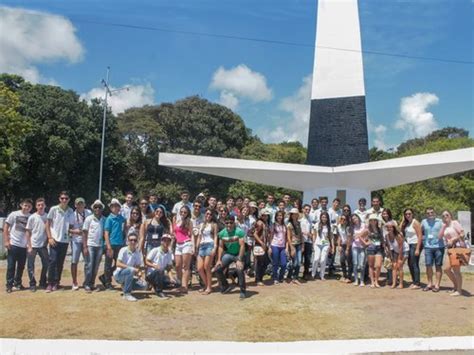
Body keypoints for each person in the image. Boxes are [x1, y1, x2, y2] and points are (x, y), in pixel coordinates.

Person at [45, 191, 74, 292]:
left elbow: (71, 226)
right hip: (54, 239)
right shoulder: (54, 209)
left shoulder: (71, 211)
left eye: (66, 198)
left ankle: (56, 282)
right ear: (59, 199)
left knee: (60, 263)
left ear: (69, 199)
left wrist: (72, 233)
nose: (64, 200)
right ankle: (49, 283)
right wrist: (50, 237)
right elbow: (47, 224)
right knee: (52, 261)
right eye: (62, 198)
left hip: (65, 241)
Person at [4, 198, 32, 292]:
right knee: (11, 266)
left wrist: (29, 245)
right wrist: (7, 241)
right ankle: (9, 285)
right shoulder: (14, 214)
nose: (26, 207)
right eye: (25, 205)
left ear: (31, 207)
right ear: (21, 205)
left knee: (21, 266)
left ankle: (18, 283)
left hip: (23, 246)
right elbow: (6, 227)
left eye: (28, 206)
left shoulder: (31, 217)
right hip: (13, 244)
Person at [215, 215, 247, 299]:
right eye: (227, 223)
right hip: (228, 254)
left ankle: (242, 290)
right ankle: (225, 285)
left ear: (234, 223)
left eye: (231, 222)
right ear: (224, 223)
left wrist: (239, 259)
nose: (229, 224)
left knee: (239, 269)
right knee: (218, 269)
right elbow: (221, 247)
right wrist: (218, 259)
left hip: (238, 254)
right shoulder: (222, 233)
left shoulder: (239, 231)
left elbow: (242, 246)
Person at [99, 198, 126, 291]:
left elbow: (125, 228)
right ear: (110, 208)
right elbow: (106, 233)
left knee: (119, 264)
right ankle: (107, 282)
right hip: (111, 244)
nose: (115, 208)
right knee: (108, 263)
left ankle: (105, 276)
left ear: (119, 207)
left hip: (120, 244)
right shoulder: (109, 219)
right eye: (113, 206)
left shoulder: (121, 218)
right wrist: (108, 246)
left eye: (117, 206)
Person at [439, 210, 466, 297]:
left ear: (450, 215)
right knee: (446, 269)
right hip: (450, 248)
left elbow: (462, 234)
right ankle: (456, 285)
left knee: (456, 270)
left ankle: (459, 290)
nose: (445, 217)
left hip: (457, 247)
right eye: (443, 216)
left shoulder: (455, 223)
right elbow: (439, 236)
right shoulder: (445, 226)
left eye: (447, 215)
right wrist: (443, 227)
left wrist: (454, 239)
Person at [113, 233, 146, 302]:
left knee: (144, 286)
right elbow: (118, 263)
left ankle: (125, 286)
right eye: (131, 240)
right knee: (130, 270)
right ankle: (127, 294)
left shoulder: (138, 253)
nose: (133, 242)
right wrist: (132, 268)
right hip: (119, 275)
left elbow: (138, 266)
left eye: (135, 240)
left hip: (130, 275)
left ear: (137, 241)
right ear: (127, 241)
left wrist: (140, 275)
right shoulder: (123, 250)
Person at [25, 198, 48, 292]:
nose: (40, 206)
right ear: (36, 206)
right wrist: (29, 246)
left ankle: (42, 282)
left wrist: (47, 242)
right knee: (30, 265)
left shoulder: (47, 217)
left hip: (43, 245)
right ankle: (32, 284)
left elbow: (49, 231)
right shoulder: (32, 217)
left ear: (45, 206)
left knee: (46, 264)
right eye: (38, 205)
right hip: (33, 245)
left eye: (42, 204)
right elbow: (28, 232)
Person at [82, 200, 106, 293]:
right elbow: (84, 232)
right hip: (90, 245)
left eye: (99, 207)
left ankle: (91, 283)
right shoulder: (89, 219)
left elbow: (105, 233)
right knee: (89, 265)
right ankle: (87, 284)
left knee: (96, 266)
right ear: (93, 208)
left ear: (102, 209)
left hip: (100, 246)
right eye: (95, 207)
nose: (97, 209)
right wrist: (84, 246)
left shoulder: (104, 219)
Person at [69, 197, 92, 291]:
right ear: (75, 205)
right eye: (78, 204)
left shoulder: (89, 213)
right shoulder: (72, 215)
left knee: (88, 261)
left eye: (82, 203)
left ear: (84, 204)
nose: (80, 205)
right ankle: (74, 282)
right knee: (74, 261)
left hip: (87, 240)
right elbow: (69, 229)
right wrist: (76, 231)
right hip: (76, 241)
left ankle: (87, 282)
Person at [421, 207, 444, 293]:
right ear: (426, 214)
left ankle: (437, 285)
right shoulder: (423, 222)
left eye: (431, 212)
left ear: (435, 213)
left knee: (438, 266)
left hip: (439, 247)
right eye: (428, 213)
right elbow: (419, 231)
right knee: (428, 265)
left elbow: (447, 230)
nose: (430, 214)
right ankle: (429, 284)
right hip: (428, 247)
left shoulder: (440, 221)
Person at [196, 209, 218, 294]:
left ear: (212, 216)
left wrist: (215, 248)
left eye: (210, 214)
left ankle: (209, 287)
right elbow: (199, 237)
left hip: (210, 245)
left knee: (206, 267)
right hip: (202, 246)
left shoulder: (214, 225)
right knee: (199, 268)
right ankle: (207, 285)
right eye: (207, 214)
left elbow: (215, 236)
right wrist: (196, 247)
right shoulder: (201, 224)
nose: (208, 215)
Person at [146, 234, 175, 299]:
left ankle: (155, 286)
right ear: (161, 241)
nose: (166, 242)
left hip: (161, 275)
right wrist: (154, 266)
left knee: (177, 283)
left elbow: (169, 268)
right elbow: (146, 261)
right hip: (151, 274)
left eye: (168, 241)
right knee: (160, 270)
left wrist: (171, 278)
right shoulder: (155, 250)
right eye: (164, 240)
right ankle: (159, 291)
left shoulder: (169, 252)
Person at [172, 205, 193, 293]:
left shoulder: (189, 221)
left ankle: (184, 286)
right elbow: (174, 231)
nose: (183, 213)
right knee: (177, 266)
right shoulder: (176, 219)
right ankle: (180, 284)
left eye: (185, 212)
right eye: (181, 212)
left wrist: (193, 247)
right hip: (178, 244)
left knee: (185, 266)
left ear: (188, 213)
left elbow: (191, 234)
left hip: (186, 244)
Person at [400, 208, 423, 289]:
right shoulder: (407, 223)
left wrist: (417, 248)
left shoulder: (415, 222)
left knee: (414, 263)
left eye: (409, 214)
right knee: (410, 264)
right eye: (406, 214)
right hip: (409, 245)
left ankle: (417, 283)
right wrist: (403, 221)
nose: (408, 215)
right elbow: (399, 230)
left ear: (412, 214)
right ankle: (414, 281)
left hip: (415, 244)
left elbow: (420, 235)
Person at [385, 222, 408, 289]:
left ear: (393, 228)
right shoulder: (387, 236)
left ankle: (401, 284)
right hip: (395, 251)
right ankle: (394, 283)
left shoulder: (398, 235)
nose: (389, 228)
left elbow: (401, 247)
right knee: (394, 266)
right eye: (388, 227)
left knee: (399, 266)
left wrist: (399, 258)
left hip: (403, 251)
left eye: (391, 227)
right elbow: (389, 247)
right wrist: (391, 256)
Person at [311, 211, 334, 281]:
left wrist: (332, 246)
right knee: (316, 259)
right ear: (320, 217)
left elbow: (331, 237)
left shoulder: (330, 226)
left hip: (326, 244)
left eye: (325, 217)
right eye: (323, 217)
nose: (324, 218)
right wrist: (313, 243)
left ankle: (322, 275)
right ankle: (313, 274)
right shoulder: (317, 224)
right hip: (317, 244)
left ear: (327, 218)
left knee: (323, 260)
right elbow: (314, 235)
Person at [348, 214, 368, 286]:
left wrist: (359, 235)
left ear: (358, 217)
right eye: (353, 219)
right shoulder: (352, 227)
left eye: (355, 218)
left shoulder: (364, 224)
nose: (355, 220)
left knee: (362, 264)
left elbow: (367, 231)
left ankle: (362, 280)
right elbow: (351, 237)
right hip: (355, 246)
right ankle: (356, 280)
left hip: (362, 246)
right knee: (355, 264)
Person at [269, 211, 288, 284]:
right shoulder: (273, 225)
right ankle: (275, 278)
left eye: (281, 215)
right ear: (276, 217)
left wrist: (286, 247)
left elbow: (286, 237)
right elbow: (270, 237)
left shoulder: (284, 226)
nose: (279, 217)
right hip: (275, 245)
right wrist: (270, 247)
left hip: (282, 246)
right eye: (278, 215)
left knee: (284, 264)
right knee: (275, 263)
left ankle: (281, 276)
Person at [366, 214, 384, 288]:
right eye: (371, 220)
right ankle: (372, 282)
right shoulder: (367, 229)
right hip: (371, 248)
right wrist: (366, 243)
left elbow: (382, 238)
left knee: (378, 265)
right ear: (369, 221)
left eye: (374, 220)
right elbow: (358, 235)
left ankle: (376, 280)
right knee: (371, 266)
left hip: (379, 248)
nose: (373, 221)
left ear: (377, 221)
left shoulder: (380, 229)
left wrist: (384, 245)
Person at [287, 208, 304, 284]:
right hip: (293, 244)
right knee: (294, 262)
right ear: (291, 215)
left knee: (299, 262)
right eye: (293, 214)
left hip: (299, 244)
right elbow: (288, 237)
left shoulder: (299, 223)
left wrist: (303, 244)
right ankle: (290, 276)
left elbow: (301, 234)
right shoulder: (289, 224)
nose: (295, 215)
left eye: (296, 214)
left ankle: (295, 277)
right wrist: (291, 247)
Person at [253, 214, 269, 286]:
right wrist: (261, 242)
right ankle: (258, 279)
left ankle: (259, 278)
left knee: (264, 262)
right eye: (264, 215)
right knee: (260, 262)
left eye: (266, 215)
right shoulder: (260, 223)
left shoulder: (265, 223)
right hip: (259, 244)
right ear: (261, 216)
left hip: (263, 244)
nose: (265, 217)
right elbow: (255, 234)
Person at [336, 214, 352, 283]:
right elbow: (339, 236)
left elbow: (349, 238)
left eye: (344, 219)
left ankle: (349, 277)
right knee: (342, 260)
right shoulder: (339, 226)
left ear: (346, 220)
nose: (343, 220)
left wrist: (347, 249)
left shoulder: (348, 227)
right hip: (342, 245)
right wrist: (339, 246)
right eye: (341, 219)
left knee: (349, 261)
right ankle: (344, 275)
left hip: (349, 245)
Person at [300, 204, 313, 280]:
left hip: (308, 242)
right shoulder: (300, 219)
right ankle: (295, 274)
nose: (307, 211)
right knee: (299, 260)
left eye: (309, 210)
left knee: (307, 259)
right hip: (301, 242)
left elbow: (311, 230)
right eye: (306, 209)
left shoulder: (310, 220)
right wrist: (304, 233)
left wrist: (311, 234)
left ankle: (305, 273)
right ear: (303, 209)